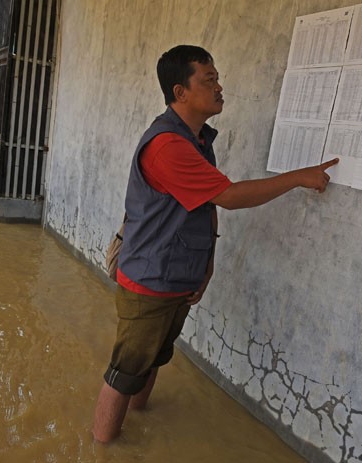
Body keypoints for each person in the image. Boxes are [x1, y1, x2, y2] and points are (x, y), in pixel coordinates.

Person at [92, 45, 338, 443]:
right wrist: (297, 177)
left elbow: (204, 203)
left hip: (177, 276)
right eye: (209, 80)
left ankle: (135, 427)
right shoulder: (168, 145)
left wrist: (206, 265)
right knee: (124, 373)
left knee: (154, 359)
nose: (220, 86)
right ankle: (102, 447)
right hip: (149, 280)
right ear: (180, 92)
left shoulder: (197, 139)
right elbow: (228, 195)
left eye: (217, 77)